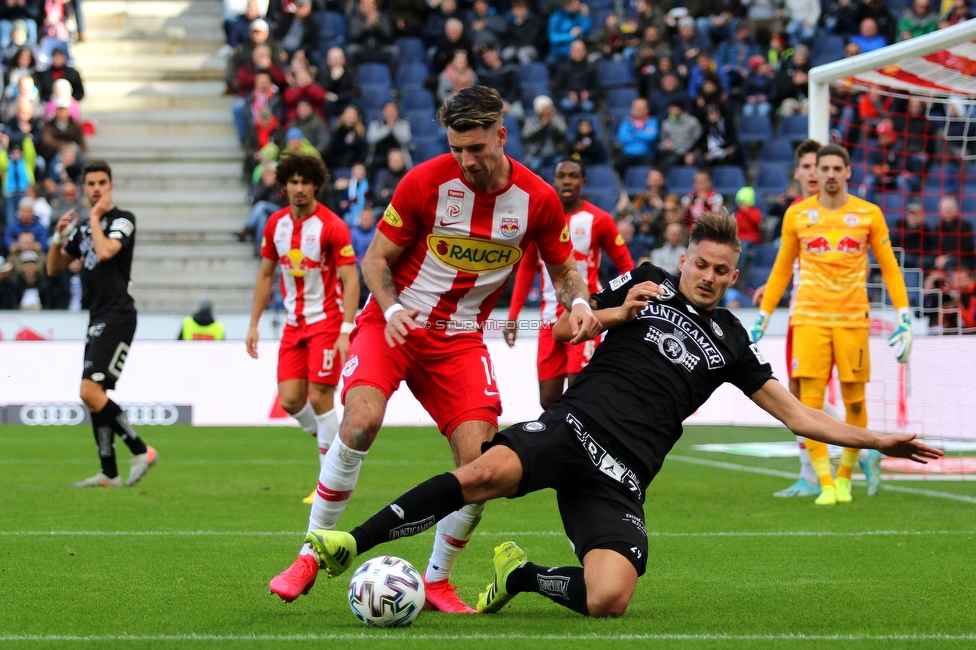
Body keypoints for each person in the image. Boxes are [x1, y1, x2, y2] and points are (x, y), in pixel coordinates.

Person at [299, 211, 942, 618]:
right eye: (701, 264)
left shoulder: (732, 342)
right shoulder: (647, 282)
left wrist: (877, 439)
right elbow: (563, 330)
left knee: (609, 598)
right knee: (480, 474)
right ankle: (348, 541)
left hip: (624, 473)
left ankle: (520, 576)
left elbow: (799, 415)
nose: (709, 277)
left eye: (722, 271)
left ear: (735, 276)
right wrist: (615, 313)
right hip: (574, 427)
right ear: (684, 257)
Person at [267, 86, 601, 613]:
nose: (466, 160)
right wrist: (394, 307)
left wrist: (579, 301)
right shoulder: (424, 181)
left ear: (501, 135)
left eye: (476, 148)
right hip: (392, 323)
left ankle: (438, 580)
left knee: (482, 464)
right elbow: (376, 260)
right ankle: (311, 554)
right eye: (456, 148)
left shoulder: (536, 199)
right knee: (358, 423)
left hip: (461, 339)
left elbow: (563, 269)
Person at [750, 144, 914, 505]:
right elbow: (781, 269)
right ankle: (824, 482)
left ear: (848, 172)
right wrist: (763, 318)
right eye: (824, 168)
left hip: (854, 319)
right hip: (809, 318)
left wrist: (905, 316)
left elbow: (889, 267)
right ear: (817, 173)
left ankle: (844, 478)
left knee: (855, 399)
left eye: (837, 168)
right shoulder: (798, 215)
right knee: (809, 401)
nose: (830, 174)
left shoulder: (868, 214)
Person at [246, 154, 360, 505]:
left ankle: (329, 482)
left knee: (321, 398)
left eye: (304, 182)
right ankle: (334, 439)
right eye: (292, 182)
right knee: (291, 400)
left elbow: (351, 279)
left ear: (315, 185)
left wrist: (345, 328)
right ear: (285, 185)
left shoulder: (331, 226)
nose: (298, 188)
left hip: (326, 322)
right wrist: (253, 323)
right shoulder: (275, 225)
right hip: (293, 326)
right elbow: (266, 274)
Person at [46, 161, 158, 487]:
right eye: (91, 183)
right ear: (84, 188)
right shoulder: (82, 230)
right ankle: (109, 471)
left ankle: (140, 450)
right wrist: (58, 237)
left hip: (119, 315)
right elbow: (53, 268)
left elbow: (107, 251)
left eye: (102, 183)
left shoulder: (124, 220)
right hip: (96, 316)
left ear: (111, 186)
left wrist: (95, 218)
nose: (96, 189)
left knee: (89, 390)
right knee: (95, 394)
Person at [506, 158, 634, 409]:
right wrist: (513, 316)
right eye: (561, 176)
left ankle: (580, 445)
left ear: (583, 182)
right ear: (553, 181)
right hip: (548, 321)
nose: (567, 181)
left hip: (585, 317)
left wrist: (617, 306)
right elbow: (527, 267)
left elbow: (626, 266)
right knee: (548, 400)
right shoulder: (540, 221)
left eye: (573, 176)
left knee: (580, 394)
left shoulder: (599, 220)